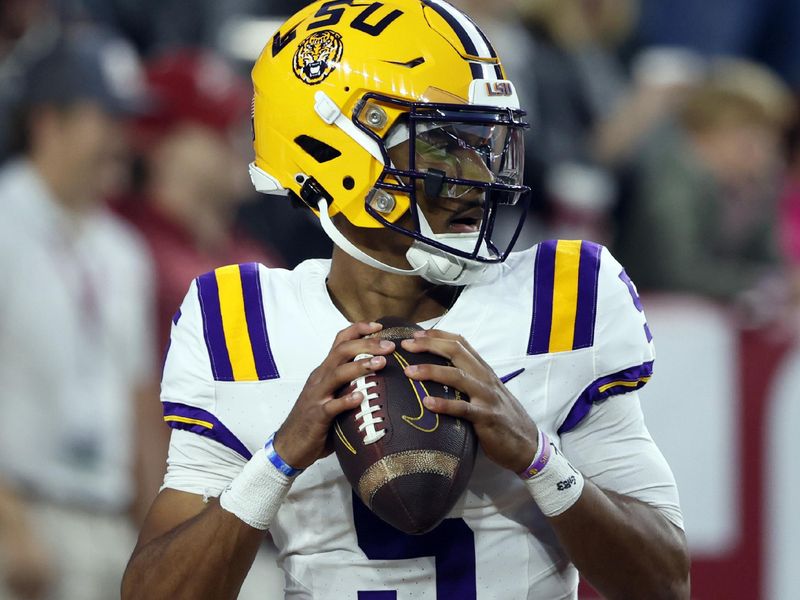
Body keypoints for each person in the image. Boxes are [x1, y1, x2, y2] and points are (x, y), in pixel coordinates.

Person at [122, 1, 690, 598]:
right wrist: (279, 459)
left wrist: (538, 458)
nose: (483, 176)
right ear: (331, 152)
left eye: (487, 143)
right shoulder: (240, 319)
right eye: (444, 148)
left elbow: (664, 583)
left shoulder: (562, 297)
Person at [0, 27, 159, 600]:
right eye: (107, 121)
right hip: (21, 520)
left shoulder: (124, 250)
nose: (123, 141)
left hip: (107, 522)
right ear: (49, 122)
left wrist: (149, 538)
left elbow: (140, 400)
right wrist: (10, 523)